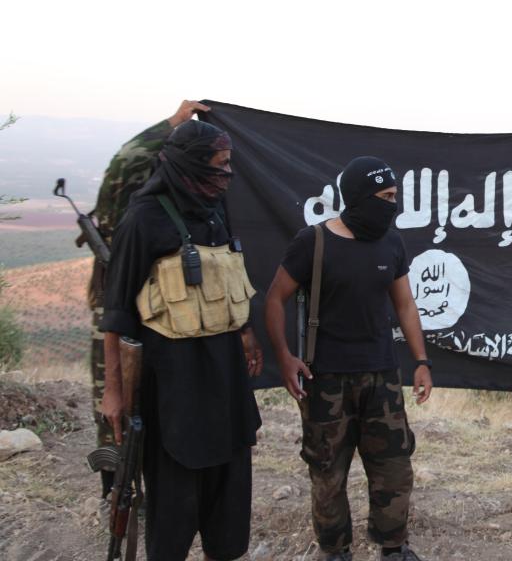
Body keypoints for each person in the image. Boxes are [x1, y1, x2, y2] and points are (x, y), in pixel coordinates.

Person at [100, 120, 263, 560]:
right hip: (175, 392)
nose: (227, 175)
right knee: (173, 510)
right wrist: (113, 392)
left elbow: (232, 278)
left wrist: (247, 334)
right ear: (191, 165)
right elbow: (115, 315)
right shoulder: (143, 219)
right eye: (220, 166)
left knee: (229, 510)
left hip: (226, 386)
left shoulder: (215, 208)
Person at [264, 156, 433, 561]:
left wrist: (421, 361)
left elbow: (405, 304)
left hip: (381, 376)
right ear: (358, 196)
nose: (393, 204)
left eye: (395, 196)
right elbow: (274, 299)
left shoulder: (391, 242)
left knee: (394, 468)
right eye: (386, 196)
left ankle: (393, 546)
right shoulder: (313, 241)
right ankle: (334, 549)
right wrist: (285, 358)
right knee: (327, 472)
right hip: (326, 380)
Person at [88, 99, 210, 501]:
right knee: (115, 393)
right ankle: (118, 487)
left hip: (163, 305)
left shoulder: (173, 201)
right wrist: (174, 122)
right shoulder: (125, 193)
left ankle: (155, 479)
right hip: (117, 299)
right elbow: (128, 157)